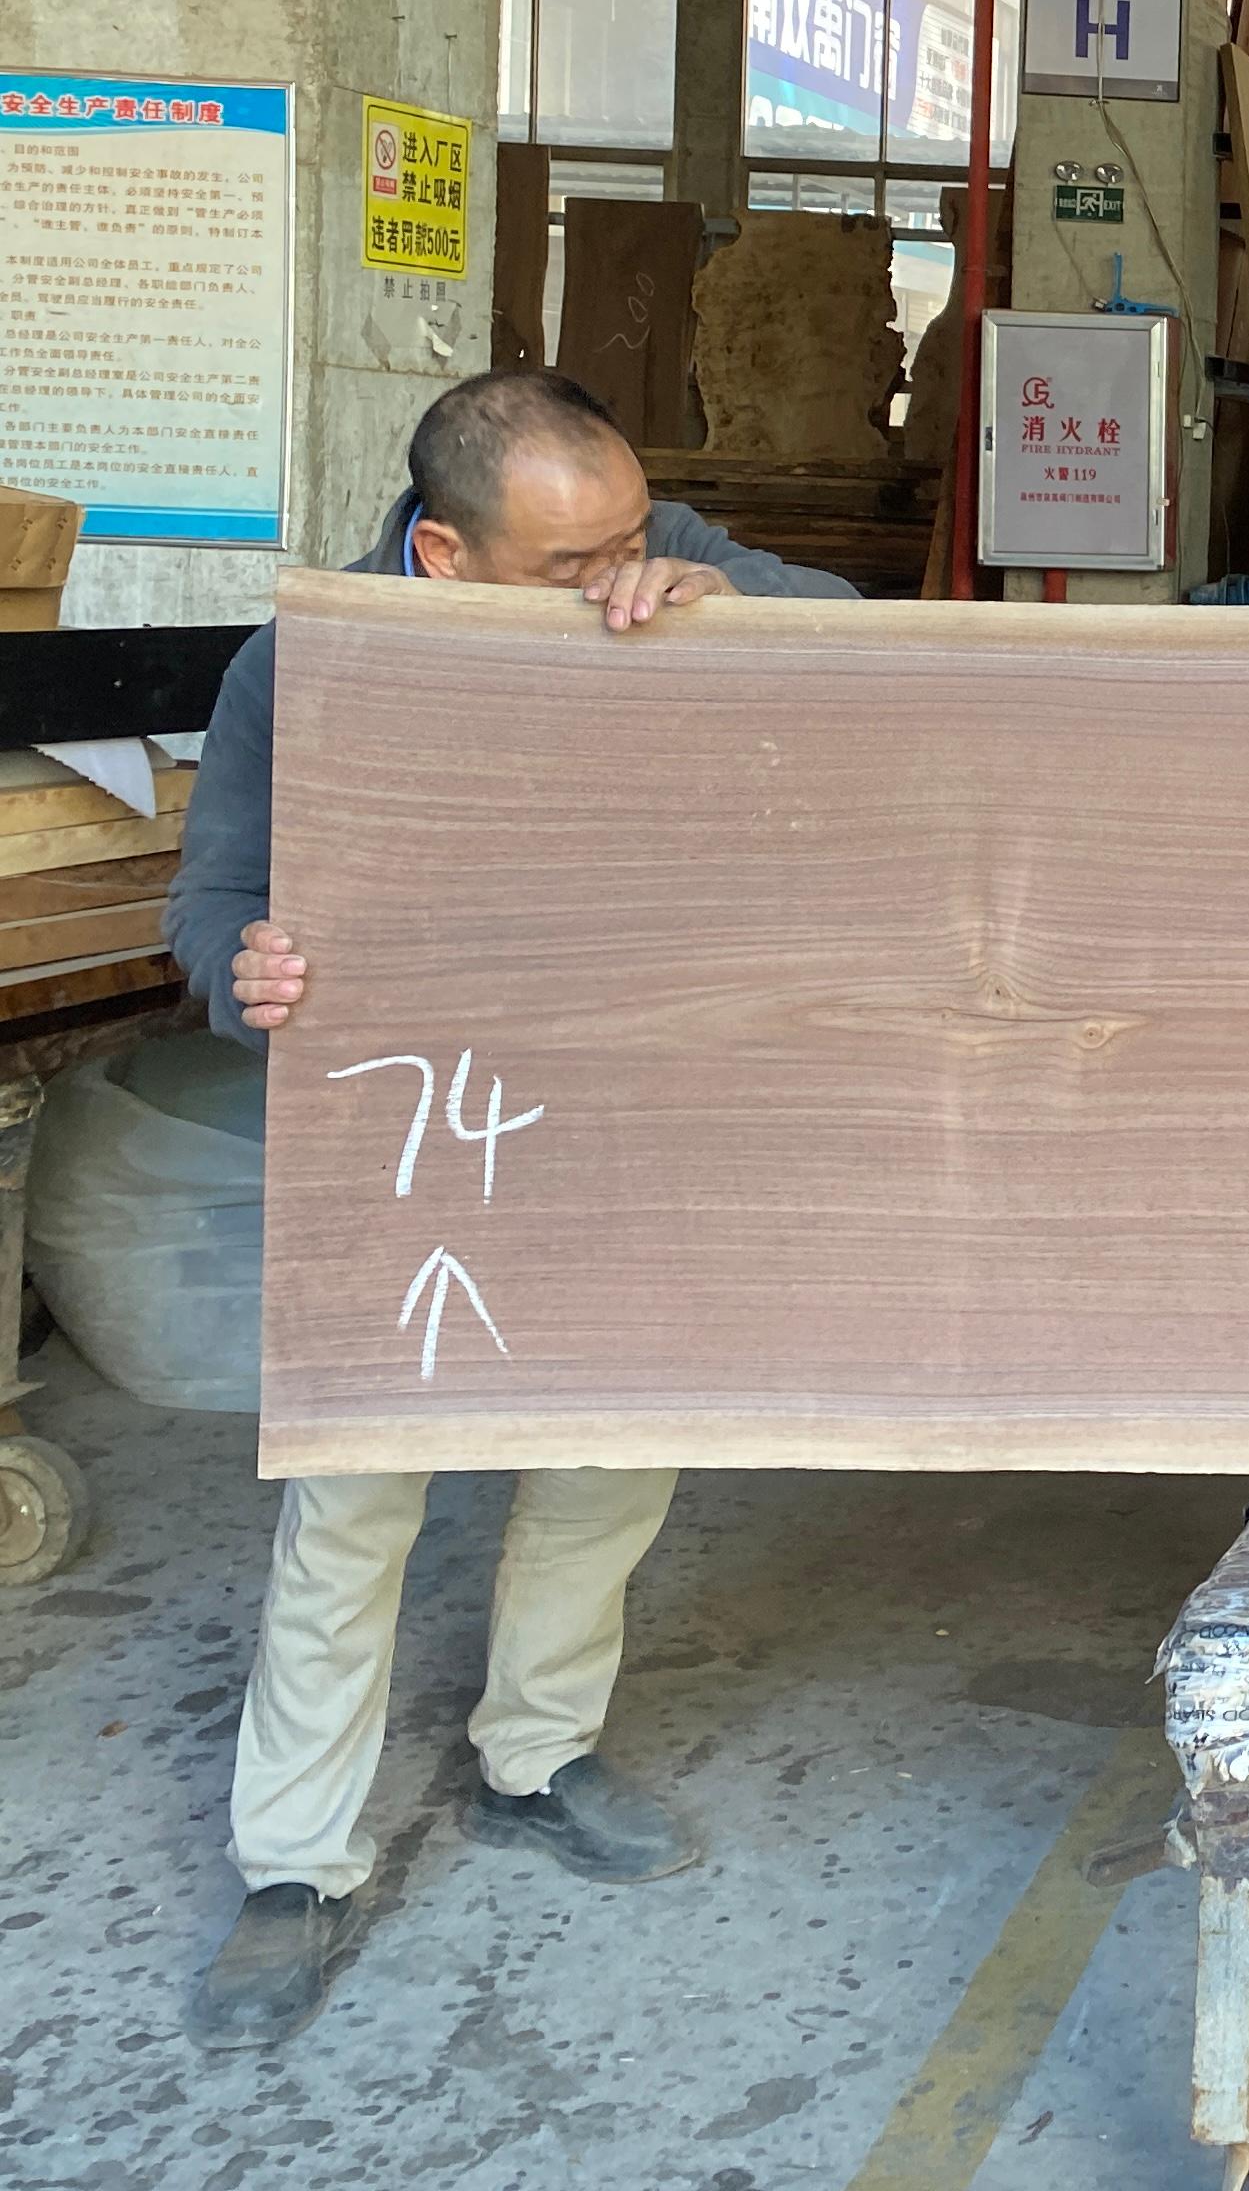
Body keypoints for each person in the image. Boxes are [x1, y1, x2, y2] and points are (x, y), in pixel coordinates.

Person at [161, 368, 857, 2051]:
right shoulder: (308, 662)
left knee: (611, 1450)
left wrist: (716, 599)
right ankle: (294, 1861)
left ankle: (536, 1755)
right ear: (446, 556)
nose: (616, 568)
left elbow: (851, 625)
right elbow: (215, 896)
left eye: (630, 532)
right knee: (356, 1491)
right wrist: (243, 976)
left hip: (621, 1099)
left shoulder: (656, 547)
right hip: (408, 1121)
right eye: (572, 563)